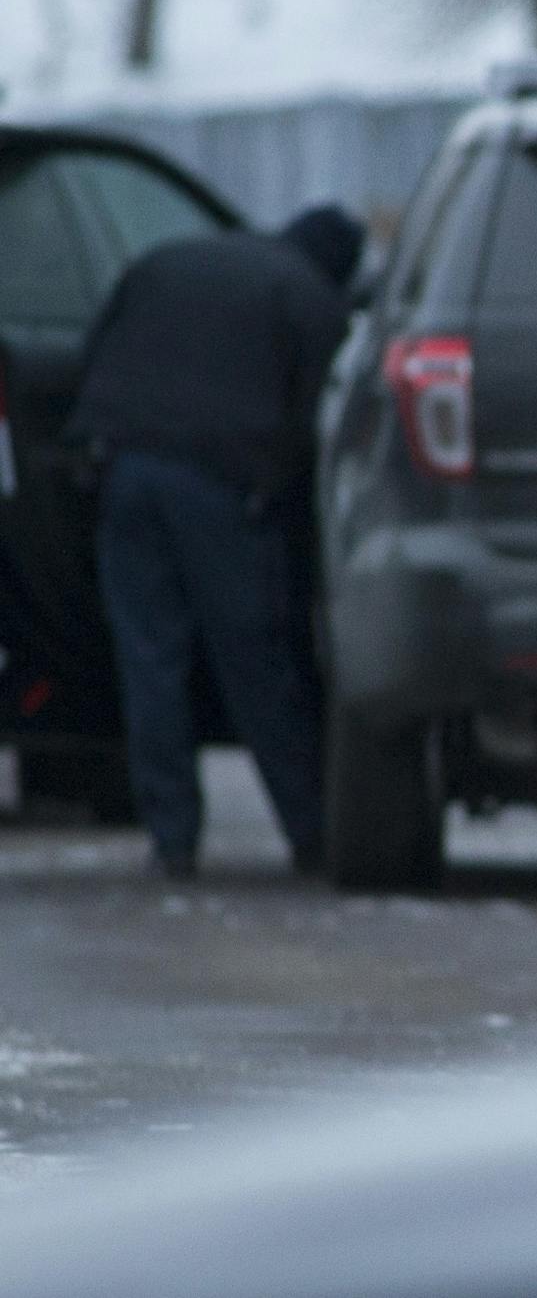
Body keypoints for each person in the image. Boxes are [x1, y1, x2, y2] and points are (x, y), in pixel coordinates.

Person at [68, 205, 364, 879]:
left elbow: (93, 354)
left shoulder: (169, 258)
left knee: (150, 660)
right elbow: (322, 423)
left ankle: (172, 839)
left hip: (124, 468)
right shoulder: (307, 296)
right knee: (258, 663)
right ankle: (311, 829)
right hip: (218, 487)